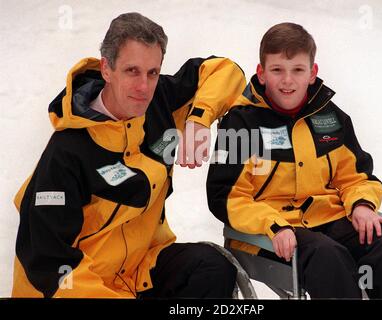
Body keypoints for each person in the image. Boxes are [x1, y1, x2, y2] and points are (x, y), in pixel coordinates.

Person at [12, 12, 246, 298]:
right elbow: (48, 264)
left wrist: (199, 117)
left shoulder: (158, 101)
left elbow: (226, 70)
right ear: (106, 69)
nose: (144, 87)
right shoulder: (67, 151)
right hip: (81, 286)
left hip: (138, 272)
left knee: (214, 268)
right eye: (132, 71)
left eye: (153, 72)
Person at [206, 22, 382, 299]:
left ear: (312, 73)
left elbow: (355, 177)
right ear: (262, 73)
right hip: (271, 231)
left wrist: (362, 204)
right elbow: (225, 197)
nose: (287, 80)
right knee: (328, 255)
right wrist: (273, 224)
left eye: (298, 70)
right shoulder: (240, 125)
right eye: (277, 70)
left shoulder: (330, 118)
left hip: (327, 220)